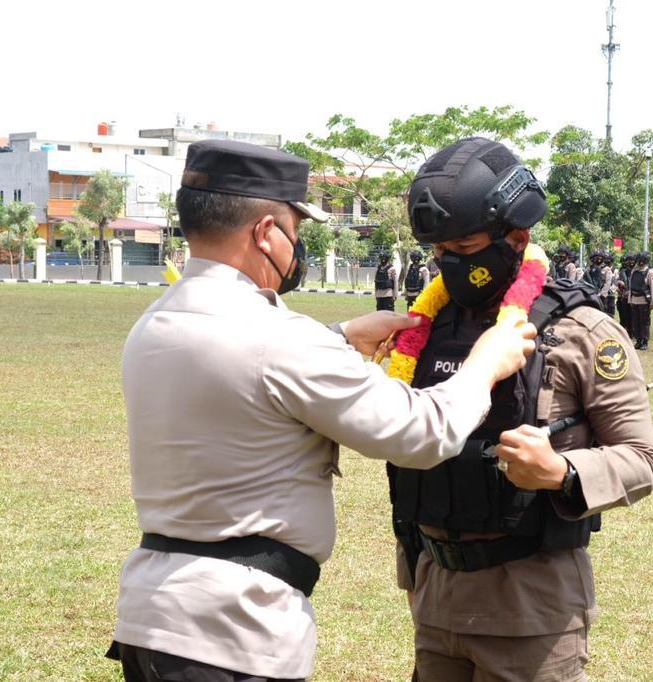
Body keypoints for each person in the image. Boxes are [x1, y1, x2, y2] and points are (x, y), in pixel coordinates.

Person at [106, 139, 537, 682]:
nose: (298, 246)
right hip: (230, 632)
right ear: (266, 233)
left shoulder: (158, 321)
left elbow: (236, 373)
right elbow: (420, 433)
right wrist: (485, 363)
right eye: (296, 230)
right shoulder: (275, 338)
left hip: (156, 621)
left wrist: (338, 338)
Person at [390, 137, 653, 681]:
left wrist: (561, 471)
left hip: (531, 607)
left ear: (517, 238)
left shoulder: (582, 332)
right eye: (439, 253)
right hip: (437, 597)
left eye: (464, 249)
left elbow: (641, 459)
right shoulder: (427, 328)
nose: (450, 265)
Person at [627, 251, 653, 350]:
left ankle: (644, 341)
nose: (640, 262)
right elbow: (631, 287)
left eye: (642, 260)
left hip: (644, 301)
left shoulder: (650, 272)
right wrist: (630, 299)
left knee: (644, 323)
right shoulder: (634, 271)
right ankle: (638, 340)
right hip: (635, 300)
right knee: (636, 322)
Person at [615, 252, 635, 335]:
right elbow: (617, 281)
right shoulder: (622, 271)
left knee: (632, 315)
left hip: (632, 296)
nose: (628, 263)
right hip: (623, 296)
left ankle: (632, 332)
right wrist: (618, 284)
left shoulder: (634, 271)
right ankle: (626, 331)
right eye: (627, 261)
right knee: (624, 315)